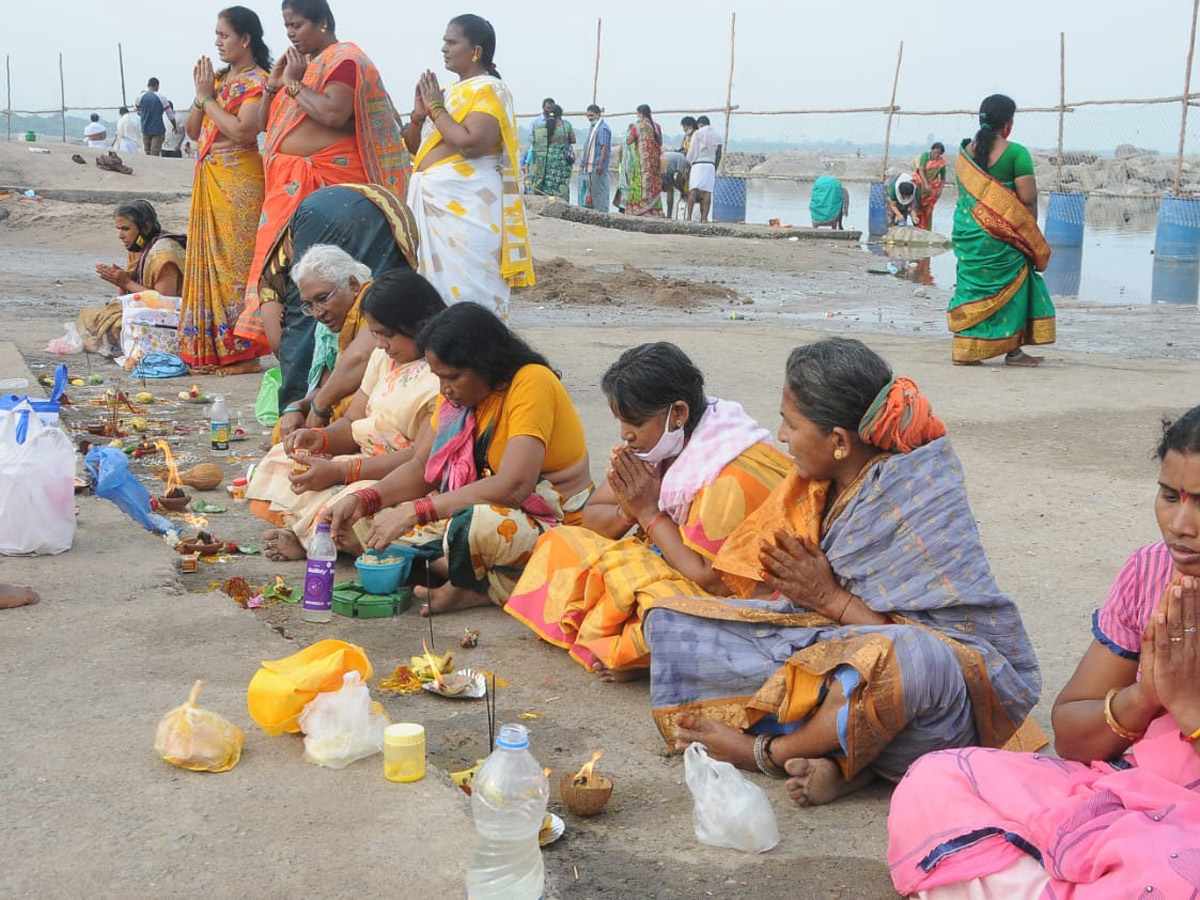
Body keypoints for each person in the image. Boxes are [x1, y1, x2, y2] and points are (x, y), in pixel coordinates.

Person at [646, 338, 1043, 806]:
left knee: (906, 656)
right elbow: (784, 608)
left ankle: (770, 751)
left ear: (838, 441)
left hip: (940, 710)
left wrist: (831, 599)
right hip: (842, 663)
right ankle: (847, 764)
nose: (781, 436)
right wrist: (807, 602)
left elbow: (951, 650)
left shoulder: (916, 491)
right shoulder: (814, 486)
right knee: (669, 622)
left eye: (790, 425)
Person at [888, 405, 1200, 899]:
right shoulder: (1149, 573)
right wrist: (1145, 697)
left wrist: (1188, 708)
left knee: (1167, 871)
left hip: (1184, 834)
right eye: (1169, 497)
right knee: (937, 779)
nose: (1181, 524)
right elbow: (1073, 738)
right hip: (1129, 795)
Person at [505, 342, 791, 680]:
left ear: (679, 414)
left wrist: (648, 512)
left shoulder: (726, 472)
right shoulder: (655, 447)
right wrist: (629, 511)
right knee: (560, 543)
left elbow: (710, 579)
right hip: (667, 560)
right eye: (622, 422)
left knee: (660, 608)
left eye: (636, 423)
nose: (626, 435)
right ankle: (625, 648)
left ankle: (636, 657)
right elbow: (592, 518)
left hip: (737, 600)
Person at [323, 303, 593, 615]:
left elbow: (515, 487)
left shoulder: (531, 382)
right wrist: (366, 500)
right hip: (489, 508)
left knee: (475, 525)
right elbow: (423, 468)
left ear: (485, 364)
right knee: (366, 521)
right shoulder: (457, 396)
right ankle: (466, 572)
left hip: (554, 525)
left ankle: (462, 585)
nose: (444, 390)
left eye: (452, 377)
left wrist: (417, 511)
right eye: (439, 378)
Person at [235, 0, 409, 359]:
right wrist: (274, 85)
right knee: (280, 271)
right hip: (289, 185)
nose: (290, 33)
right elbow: (266, 124)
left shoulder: (345, 60)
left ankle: (324, 355)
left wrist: (295, 85)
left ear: (324, 24)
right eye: (286, 26)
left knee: (321, 273)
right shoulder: (302, 65)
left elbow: (333, 112)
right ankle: (294, 354)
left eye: (297, 25)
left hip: (327, 186)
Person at [251, 269, 444, 560]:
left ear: (418, 324)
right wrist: (320, 439)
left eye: (387, 335)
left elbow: (421, 462)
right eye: (375, 334)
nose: (380, 345)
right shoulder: (384, 356)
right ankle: (310, 531)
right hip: (365, 458)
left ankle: (311, 541)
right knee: (281, 458)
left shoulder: (444, 376)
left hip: (404, 478)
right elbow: (352, 421)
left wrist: (344, 472)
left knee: (350, 507)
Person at [254, 184, 418, 438]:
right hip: (362, 207)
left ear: (353, 284)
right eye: (308, 305)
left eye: (322, 299)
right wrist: (298, 405)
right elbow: (330, 381)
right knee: (285, 430)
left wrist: (317, 412)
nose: (317, 313)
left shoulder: (375, 303)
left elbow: (359, 359)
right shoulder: (330, 323)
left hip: (391, 410)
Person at [402, 14, 534, 319]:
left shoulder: (490, 90)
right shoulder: (447, 93)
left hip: (469, 212)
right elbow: (415, 148)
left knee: (471, 302)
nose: (444, 48)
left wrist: (436, 108)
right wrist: (420, 116)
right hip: (434, 207)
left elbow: (471, 143)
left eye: (452, 42)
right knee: (430, 301)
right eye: (444, 42)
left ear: (476, 50)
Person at [179, 6, 271, 372]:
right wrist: (202, 96)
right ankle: (213, 348)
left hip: (239, 181)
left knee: (236, 267)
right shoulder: (216, 80)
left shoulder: (258, 81)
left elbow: (242, 131)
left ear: (245, 39)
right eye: (216, 35)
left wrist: (207, 99)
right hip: (210, 178)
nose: (217, 42)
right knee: (208, 263)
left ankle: (244, 354)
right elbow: (191, 129)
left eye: (224, 35)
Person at [949, 94, 1055, 368]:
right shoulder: (1016, 153)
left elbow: (966, 198)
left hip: (970, 235)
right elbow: (1028, 199)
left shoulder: (964, 155)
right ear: (1007, 124)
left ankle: (966, 350)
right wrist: (1027, 234)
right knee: (1015, 288)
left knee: (972, 288)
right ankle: (1014, 353)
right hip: (1004, 237)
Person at [79, 200, 187, 356]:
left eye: (125, 229)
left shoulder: (163, 256)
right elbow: (128, 296)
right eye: (119, 229)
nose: (120, 236)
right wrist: (122, 282)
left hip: (175, 316)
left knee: (116, 326)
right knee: (91, 318)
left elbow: (165, 304)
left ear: (146, 227)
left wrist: (126, 282)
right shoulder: (137, 245)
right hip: (148, 309)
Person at [621, 104, 663, 217]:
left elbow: (629, 141)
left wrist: (628, 134)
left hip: (642, 164)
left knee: (640, 185)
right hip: (655, 164)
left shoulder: (637, 126)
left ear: (640, 113)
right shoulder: (657, 126)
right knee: (653, 185)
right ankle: (654, 211)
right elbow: (660, 143)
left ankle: (640, 210)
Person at [528, 104, 574, 200]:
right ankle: (563, 201)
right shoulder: (567, 125)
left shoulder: (544, 126)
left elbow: (539, 144)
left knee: (549, 181)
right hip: (563, 159)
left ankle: (549, 202)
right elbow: (573, 140)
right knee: (562, 181)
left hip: (549, 158)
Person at [685, 115, 722, 223]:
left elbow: (692, 151)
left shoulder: (698, 133)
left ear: (699, 124)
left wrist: (688, 166)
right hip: (710, 165)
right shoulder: (717, 135)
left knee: (693, 190)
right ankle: (704, 218)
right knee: (707, 192)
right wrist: (715, 167)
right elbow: (719, 154)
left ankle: (689, 217)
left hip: (698, 164)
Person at [578, 104, 611, 212]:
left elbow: (604, 146)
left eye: (591, 115)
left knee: (599, 194)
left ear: (598, 114)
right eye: (588, 116)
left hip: (597, 166)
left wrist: (600, 164)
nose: (589, 118)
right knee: (591, 193)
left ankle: (602, 215)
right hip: (589, 167)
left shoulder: (602, 128)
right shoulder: (593, 128)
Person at [911, 141, 946, 230]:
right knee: (917, 206)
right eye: (935, 152)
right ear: (931, 150)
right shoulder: (925, 156)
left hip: (932, 189)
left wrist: (940, 190)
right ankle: (917, 226)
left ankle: (927, 228)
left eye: (939, 153)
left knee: (928, 209)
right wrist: (925, 183)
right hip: (921, 185)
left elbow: (943, 178)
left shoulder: (941, 163)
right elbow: (921, 170)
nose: (936, 155)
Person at [520, 96, 555, 182]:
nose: (549, 110)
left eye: (551, 108)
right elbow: (532, 142)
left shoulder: (556, 122)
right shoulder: (536, 122)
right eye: (547, 108)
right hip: (538, 156)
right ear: (543, 107)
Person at [136, 78, 170, 156]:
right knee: (154, 152)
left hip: (145, 129)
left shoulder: (140, 97)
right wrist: (174, 125)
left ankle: (147, 167)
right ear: (157, 86)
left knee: (147, 152)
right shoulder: (161, 98)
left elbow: (138, 111)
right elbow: (169, 114)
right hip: (158, 129)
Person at [660, 150, 687, 219]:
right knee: (670, 190)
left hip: (661, 159)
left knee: (666, 187)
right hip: (665, 163)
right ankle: (669, 215)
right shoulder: (683, 159)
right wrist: (683, 191)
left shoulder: (675, 156)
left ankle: (661, 212)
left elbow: (674, 181)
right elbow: (678, 179)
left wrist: (680, 189)